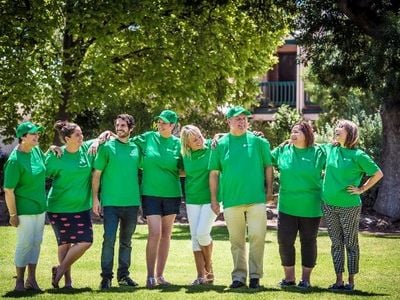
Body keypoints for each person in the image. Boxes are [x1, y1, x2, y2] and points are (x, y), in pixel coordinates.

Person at [209, 106, 273, 289]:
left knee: (257, 237)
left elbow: (268, 166)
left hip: (256, 199)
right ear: (228, 121)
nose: (242, 121)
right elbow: (213, 173)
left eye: (245, 118)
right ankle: (238, 277)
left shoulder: (259, 142)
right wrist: (214, 199)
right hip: (231, 200)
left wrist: (269, 190)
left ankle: (255, 277)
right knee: (236, 241)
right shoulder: (220, 144)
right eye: (237, 119)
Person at [322, 119, 383, 291]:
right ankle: (338, 281)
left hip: (349, 206)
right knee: (336, 243)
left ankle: (351, 281)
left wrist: (362, 188)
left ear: (351, 134)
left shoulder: (358, 156)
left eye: (342, 127)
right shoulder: (331, 149)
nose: (337, 129)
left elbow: (378, 173)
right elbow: (311, 148)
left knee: (350, 243)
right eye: (337, 126)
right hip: (329, 205)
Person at [271, 121, 325, 289]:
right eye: (292, 131)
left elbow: (339, 160)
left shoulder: (319, 152)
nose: (293, 134)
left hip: (311, 207)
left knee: (308, 242)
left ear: (307, 134)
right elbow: (261, 156)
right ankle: (289, 278)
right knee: (284, 241)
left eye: (298, 132)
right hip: (287, 206)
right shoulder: (282, 150)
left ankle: (306, 280)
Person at [131, 109, 182, 288]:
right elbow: (124, 141)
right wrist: (105, 136)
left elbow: (187, 163)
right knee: (155, 233)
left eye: (164, 122)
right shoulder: (147, 138)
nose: (160, 125)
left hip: (172, 194)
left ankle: (160, 276)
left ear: (172, 125)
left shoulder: (178, 144)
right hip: (150, 193)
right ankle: (150, 276)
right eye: (159, 122)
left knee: (166, 235)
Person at [92, 114, 141, 289]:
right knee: (109, 240)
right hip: (111, 203)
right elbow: (96, 174)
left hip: (131, 203)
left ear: (130, 128)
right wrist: (95, 198)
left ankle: (123, 275)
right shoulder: (106, 148)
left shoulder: (136, 148)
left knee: (127, 241)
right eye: (117, 125)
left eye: (123, 125)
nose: (119, 128)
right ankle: (106, 277)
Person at [46, 121, 97, 289]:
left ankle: (59, 270)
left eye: (82, 134)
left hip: (81, 207)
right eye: (77, 135)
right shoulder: (57, 155)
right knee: (64, 244)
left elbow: (108, 136)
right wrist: (50, 148)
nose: (82, 137)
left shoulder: (86, 149)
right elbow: (39, 169)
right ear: (67, 139)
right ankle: (67, 282)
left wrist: (100, 138)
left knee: (86, 241)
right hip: (58, 208)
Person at [3, 121, 46, 291]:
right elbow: (8, 190)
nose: (37, 136)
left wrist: (54, 149)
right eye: (33, 133)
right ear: (22, 137)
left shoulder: (36, 151)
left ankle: (32, 280)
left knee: (36, 242)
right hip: (24, 209)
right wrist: (13, 215)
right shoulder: (15, 160)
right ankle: (19, 281)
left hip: (40, 207)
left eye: (37, 133)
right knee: (25, 243)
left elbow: (46, 164)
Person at [180, 125, 216, 285]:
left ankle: (208, 267)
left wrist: (218, 134)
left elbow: (226, 136)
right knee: (195, 238)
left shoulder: (212, 147)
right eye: (194, 140)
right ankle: (201, 276)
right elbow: (178, 170)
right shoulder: (183, 155)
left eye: (200, 137)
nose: (199, 141)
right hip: (192, 199)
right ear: (187, 144)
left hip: (211, 198)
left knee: (202, 233)